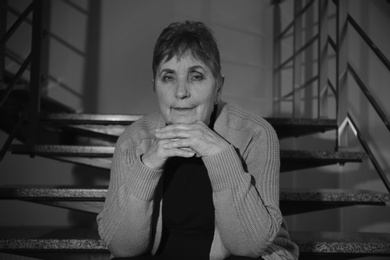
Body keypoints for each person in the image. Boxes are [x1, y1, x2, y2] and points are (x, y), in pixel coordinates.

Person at [97, 21, 299, 260]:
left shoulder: (255, 134)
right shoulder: (134, 141)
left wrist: (221, 154)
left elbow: (249, 246)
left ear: (218, 86)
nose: (181, 92)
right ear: (155, 86)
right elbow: (122, 247)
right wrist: (147, 165)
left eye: (196, 76)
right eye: (168, 77)